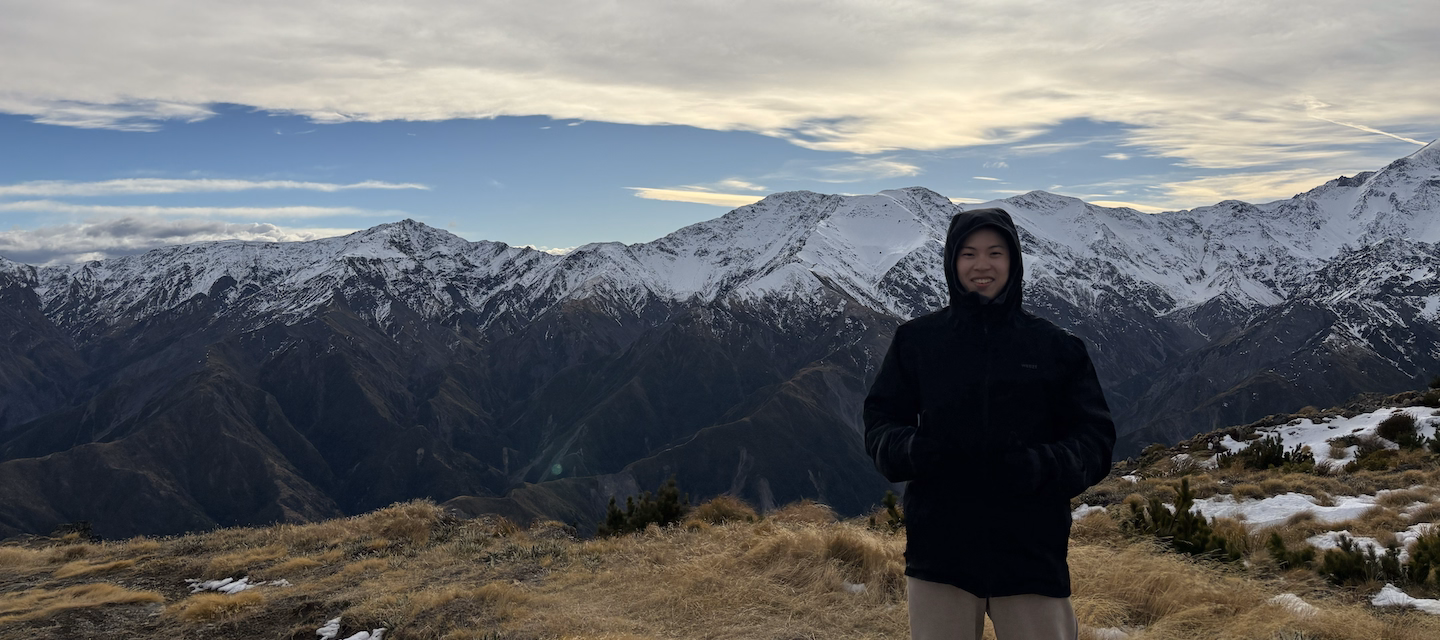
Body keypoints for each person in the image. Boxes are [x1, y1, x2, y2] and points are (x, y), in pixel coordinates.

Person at [863, 207, 1115, 640]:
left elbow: (1095, 440)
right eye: (969, 254)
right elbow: (881, 422)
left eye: (996, 253)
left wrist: (1037, 466)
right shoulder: (918, 341)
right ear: (951, 262)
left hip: (1031, 553)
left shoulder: (1055, 346)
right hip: (940, 553)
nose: (983, 265)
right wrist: (918, 450)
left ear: (1014, 261)